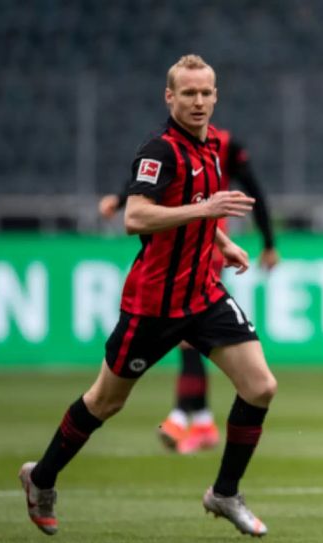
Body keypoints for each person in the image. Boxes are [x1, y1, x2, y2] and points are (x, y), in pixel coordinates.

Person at [18, 54, 276, 537]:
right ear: (170, 97)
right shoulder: (160, 151)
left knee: (260, 386)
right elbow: (136, 217)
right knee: (104, 402)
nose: (198, 101)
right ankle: (42, 477)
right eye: (188, 94)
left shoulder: (211, 150)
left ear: (215, 95)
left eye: (205, 93)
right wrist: (208, 214)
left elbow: (195, 207)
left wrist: (223, 241)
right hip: (153, 306)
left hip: (203, 294)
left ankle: (224, 493)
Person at [99, 125, 279, 454]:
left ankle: (189, 417)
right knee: (189, 341)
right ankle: (196, 419)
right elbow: (151, 184)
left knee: (187, 337)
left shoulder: (221, 146)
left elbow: (255, 191)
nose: (198, 101)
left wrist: (269, 243)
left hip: (202, 247)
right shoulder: (176, 148)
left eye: (204, 93)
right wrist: (121, 196)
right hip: (192, 243)